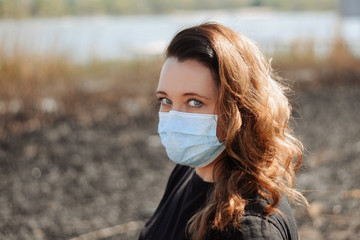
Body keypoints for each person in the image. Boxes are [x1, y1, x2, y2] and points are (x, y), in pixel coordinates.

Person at [139, 22, 307, 240]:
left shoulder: (249, 228)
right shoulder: (188, 171)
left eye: (194, 102)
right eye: (166, 100)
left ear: (238, 109)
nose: (174, 117)